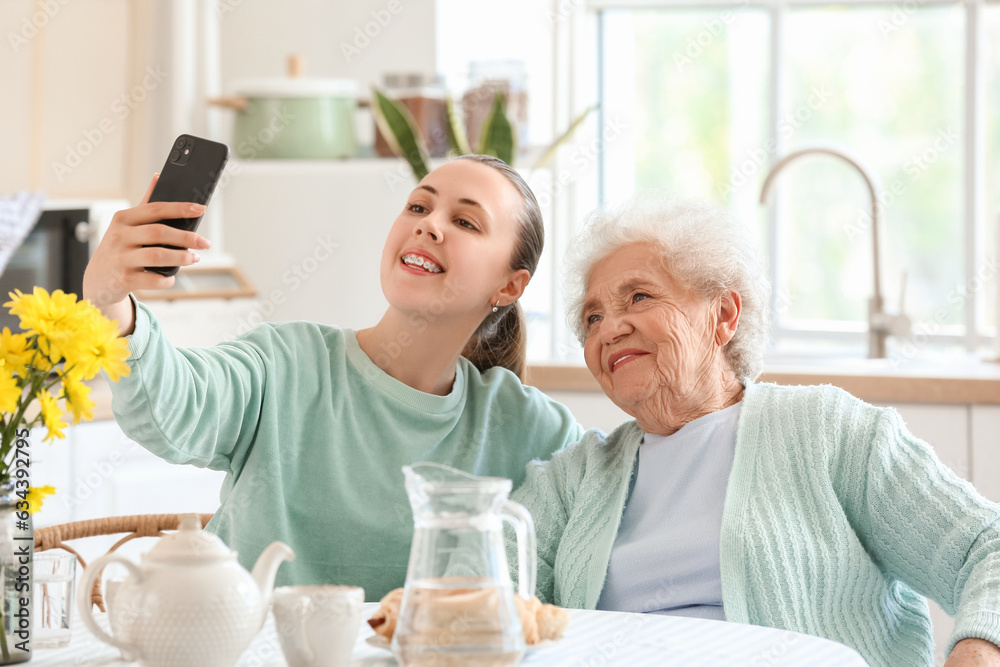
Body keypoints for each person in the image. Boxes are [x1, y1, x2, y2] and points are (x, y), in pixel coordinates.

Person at [507, 196, 1000, 667]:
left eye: (638, 297)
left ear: (723, 316)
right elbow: (484, 590)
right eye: (593, 317)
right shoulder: (574, 478)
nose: (609, 329)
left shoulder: (826, 431)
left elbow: (986, 550)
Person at [83, 154, 583, 600]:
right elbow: (171, 408)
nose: (429, 225)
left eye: (466, 221)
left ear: (510, 285)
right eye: (417, 207)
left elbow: (613, 504)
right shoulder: (286, 364)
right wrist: (111, 302)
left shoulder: (529, 429)